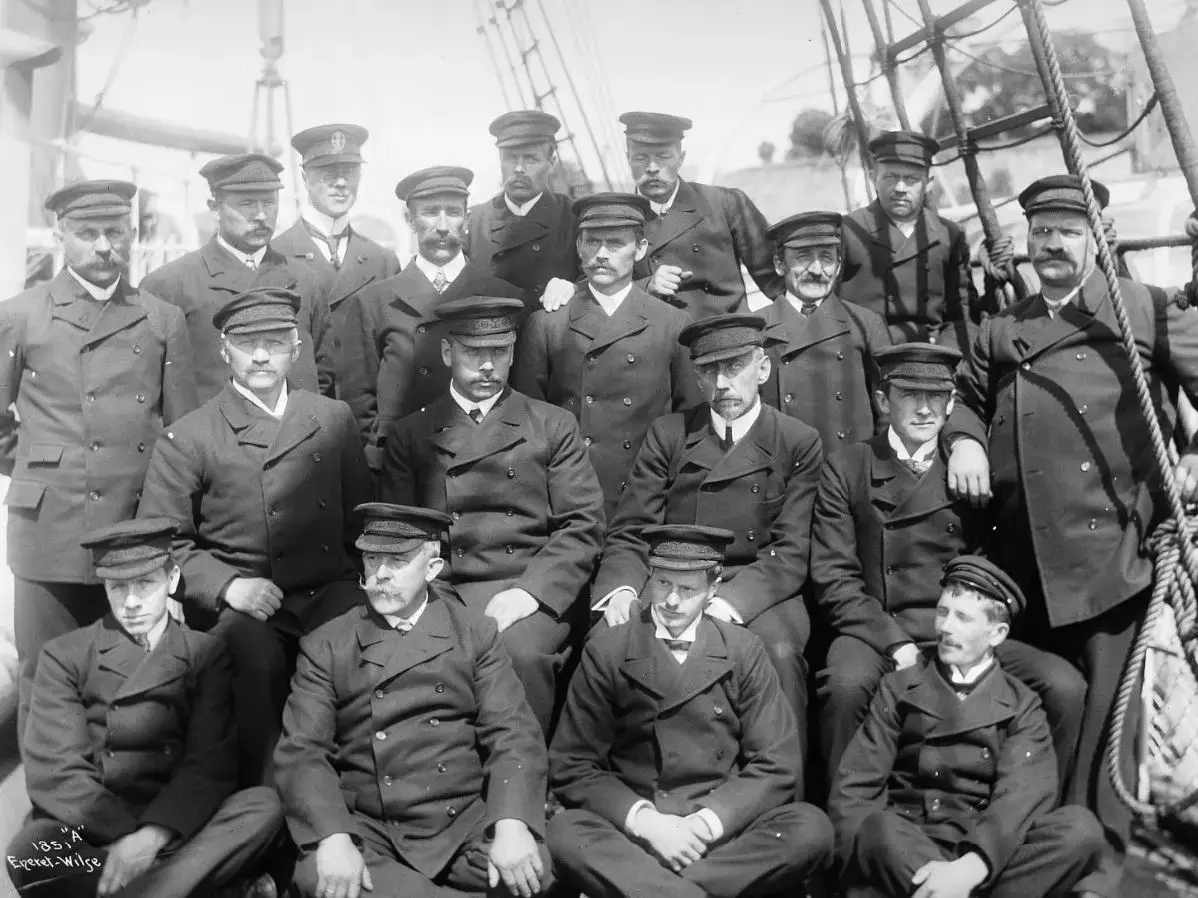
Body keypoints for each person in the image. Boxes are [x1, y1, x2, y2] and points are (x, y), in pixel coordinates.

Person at [945, 173, 1198, 896]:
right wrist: (964, 441)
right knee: (1046, 708)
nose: (1052, 245)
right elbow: (963, 396)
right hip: (1021, 556)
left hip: (1111, 552)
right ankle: (1039, 845)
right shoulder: (1004, 327)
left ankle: (1100, 862)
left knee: (1107, 720)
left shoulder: (1143, 308)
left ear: (1096, 240)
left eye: (1068, 232)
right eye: (1042, 233)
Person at [811, 342, 1086, 792]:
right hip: (877, 629)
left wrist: (975, 629)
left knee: (1063, 686)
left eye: (936, 396)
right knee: (846, 685)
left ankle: (1035, 811)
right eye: (909, 395)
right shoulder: (848, 467)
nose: (924, 409)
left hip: (961, 627)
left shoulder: (973, 469)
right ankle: (847, 816)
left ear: (952, 402)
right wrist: (895, 644)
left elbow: (993, 561)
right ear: (883, 401)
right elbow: (834, 578)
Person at [137, 286, 371, 786]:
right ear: (224, 351)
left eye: (275, 342)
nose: (261, 356)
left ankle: (359, 796)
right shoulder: (190, 436)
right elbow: (164, 543)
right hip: (244, 602)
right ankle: (262, 799)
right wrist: (227, 587)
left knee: (363, 652)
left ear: (296, 348)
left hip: (326, 590)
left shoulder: (332, 418)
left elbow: (359, 522)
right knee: (255, 665)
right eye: (247, 343)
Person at [273, 503, 552, 898]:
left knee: (534, 871)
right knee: (320, 875)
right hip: (371, 826)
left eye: (398, 561)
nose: (381, 574)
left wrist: (510, 824)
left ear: (433, 568)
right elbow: (303, 751)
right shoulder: (327, 645)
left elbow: (513, 733)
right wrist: (335, 837)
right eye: (372, 559)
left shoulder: (474, 633)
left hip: (458, 823)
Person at [0, 179, 196, 742]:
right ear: (61, 236)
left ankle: (121, 786)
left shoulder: (161, 318)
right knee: (47, 675)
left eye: (115, 232)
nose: (104, 246)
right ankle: (53, 797)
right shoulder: (20, 314)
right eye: (88, 233)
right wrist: (42, 465)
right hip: (50, 527)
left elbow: (181, 434)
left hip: (132, 525)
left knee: (129, 675)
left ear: (132, 235)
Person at [549, 523, 833, 898]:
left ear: (713, 588)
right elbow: (572, 764)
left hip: (716, 834)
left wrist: (704, 824)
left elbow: (778, 761)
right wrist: (649, 824)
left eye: (687, 590)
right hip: (639, 832)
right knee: (565, 833)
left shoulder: (743, 649)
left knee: (810, 829)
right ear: (649, 578)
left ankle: (652, 890)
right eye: (662, 583)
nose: (671, 601)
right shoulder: (608, 649)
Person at [591, 313, 823, 766]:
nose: (722, 383)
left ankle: (784, 786)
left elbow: (791, 551)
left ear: (762, 369)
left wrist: (727, 604)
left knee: (779, 652)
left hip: (759, 586)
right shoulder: (669, 435)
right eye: (709, 371)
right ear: (696, 377)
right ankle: (610, 779)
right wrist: (621, 588)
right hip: (674, 576)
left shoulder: (797, 441)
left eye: (734, 367)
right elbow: (633, 529)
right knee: (609, 639)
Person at [7, 518, 281, 898]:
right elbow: (58, 769)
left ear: (172, 580)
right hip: (99, 831)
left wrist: (150, 838)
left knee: (262, 807)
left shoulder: (205, 653)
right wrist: (125, 840)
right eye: (118, 587)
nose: (131, 602)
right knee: (30, 851)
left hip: (177, 827)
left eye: (145, 584)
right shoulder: (65, 655)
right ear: (104, 586)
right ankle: (202, 887)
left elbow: (208, 763)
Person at [378, 295, 605, 737]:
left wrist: (529, 594)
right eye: (473, 352)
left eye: (499, 352)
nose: (487, 366)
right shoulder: (411, 433)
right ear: (448, 353)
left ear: (513, 353)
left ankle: (525, 774)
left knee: (519, 655)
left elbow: (582, 525)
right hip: (447, 589)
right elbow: (403, 535)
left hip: (533, 587)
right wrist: (431, 599)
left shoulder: (552, 425)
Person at [830, 555, 1104, 898]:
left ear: (997, 633)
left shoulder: (1022, 706)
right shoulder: (899, 688)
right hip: (911, 846)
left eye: (963, 618)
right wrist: (851, 876)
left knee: (1080, 830)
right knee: (878, 829)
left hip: (984, 856)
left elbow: (1021, 797)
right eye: (943, 612)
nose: (946, 627)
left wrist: (971, 868)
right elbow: (857, 786)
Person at [511, 192, 694, 518]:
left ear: (640, 249)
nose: (601, 254)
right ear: (578, 246)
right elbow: (528, 424)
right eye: (592, 242)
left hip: (649, 496)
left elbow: (690, 422)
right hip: (571, 498)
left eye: (615, 243)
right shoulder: (548, 324)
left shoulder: (673, 324)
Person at [337, 165, 521, 470]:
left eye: (453, 212)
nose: (443, 226)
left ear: (467, 219)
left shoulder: (502, 297)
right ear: (409, 219)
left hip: (486, 462)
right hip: (404, 464)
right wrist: (385, 455)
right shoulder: (374, 302)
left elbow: (521, 394)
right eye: (431, 212)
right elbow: (358, 402)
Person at [539, 112, 781, 321]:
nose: (652, 167)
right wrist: (646, 286)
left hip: (726, 341)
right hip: (654, 350)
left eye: (663, 157)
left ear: (681, 158)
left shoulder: (724, 203)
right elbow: (595, 286)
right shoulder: (612, 219)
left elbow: (778, 280)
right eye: (641, 157)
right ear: (628, 159)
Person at [140, 152, 335, 403]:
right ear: (215, 208)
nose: (261, 215)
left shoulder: (307, 282)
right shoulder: (170, 285)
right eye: (247, 204)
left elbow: (323, 376)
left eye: (269, 202)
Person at [762, 210, 891, 449]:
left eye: (826, 258)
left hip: (851, 464)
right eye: (803, 257)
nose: (816, 269)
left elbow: (888, 410)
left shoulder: (865, 324)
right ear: (779, 265)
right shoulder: (757, 329)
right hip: (786, 466)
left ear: (839, 265)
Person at [839, 131, 977, 352]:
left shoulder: (949, 236)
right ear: (874, 178)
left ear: (928, 183)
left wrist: (944, 358)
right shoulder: (847, 231)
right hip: (863, 356)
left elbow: (962, 315)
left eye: (911, 179)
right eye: (891, 177)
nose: (900, 188)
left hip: (928, 355)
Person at [272, 123, 401, 337]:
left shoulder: (383, 262)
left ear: (360, 177)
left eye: (349, 172)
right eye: (328, 172)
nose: (341, 182)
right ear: (305, 178)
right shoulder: (276, 257)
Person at [466, 110, 580, 313]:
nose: (519, 169)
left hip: (551, 330)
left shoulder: (574, 217)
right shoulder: (474, 222)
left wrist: (574, 288)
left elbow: (597, 281)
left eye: (531, 159)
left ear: (551, 163)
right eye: (510, 158)